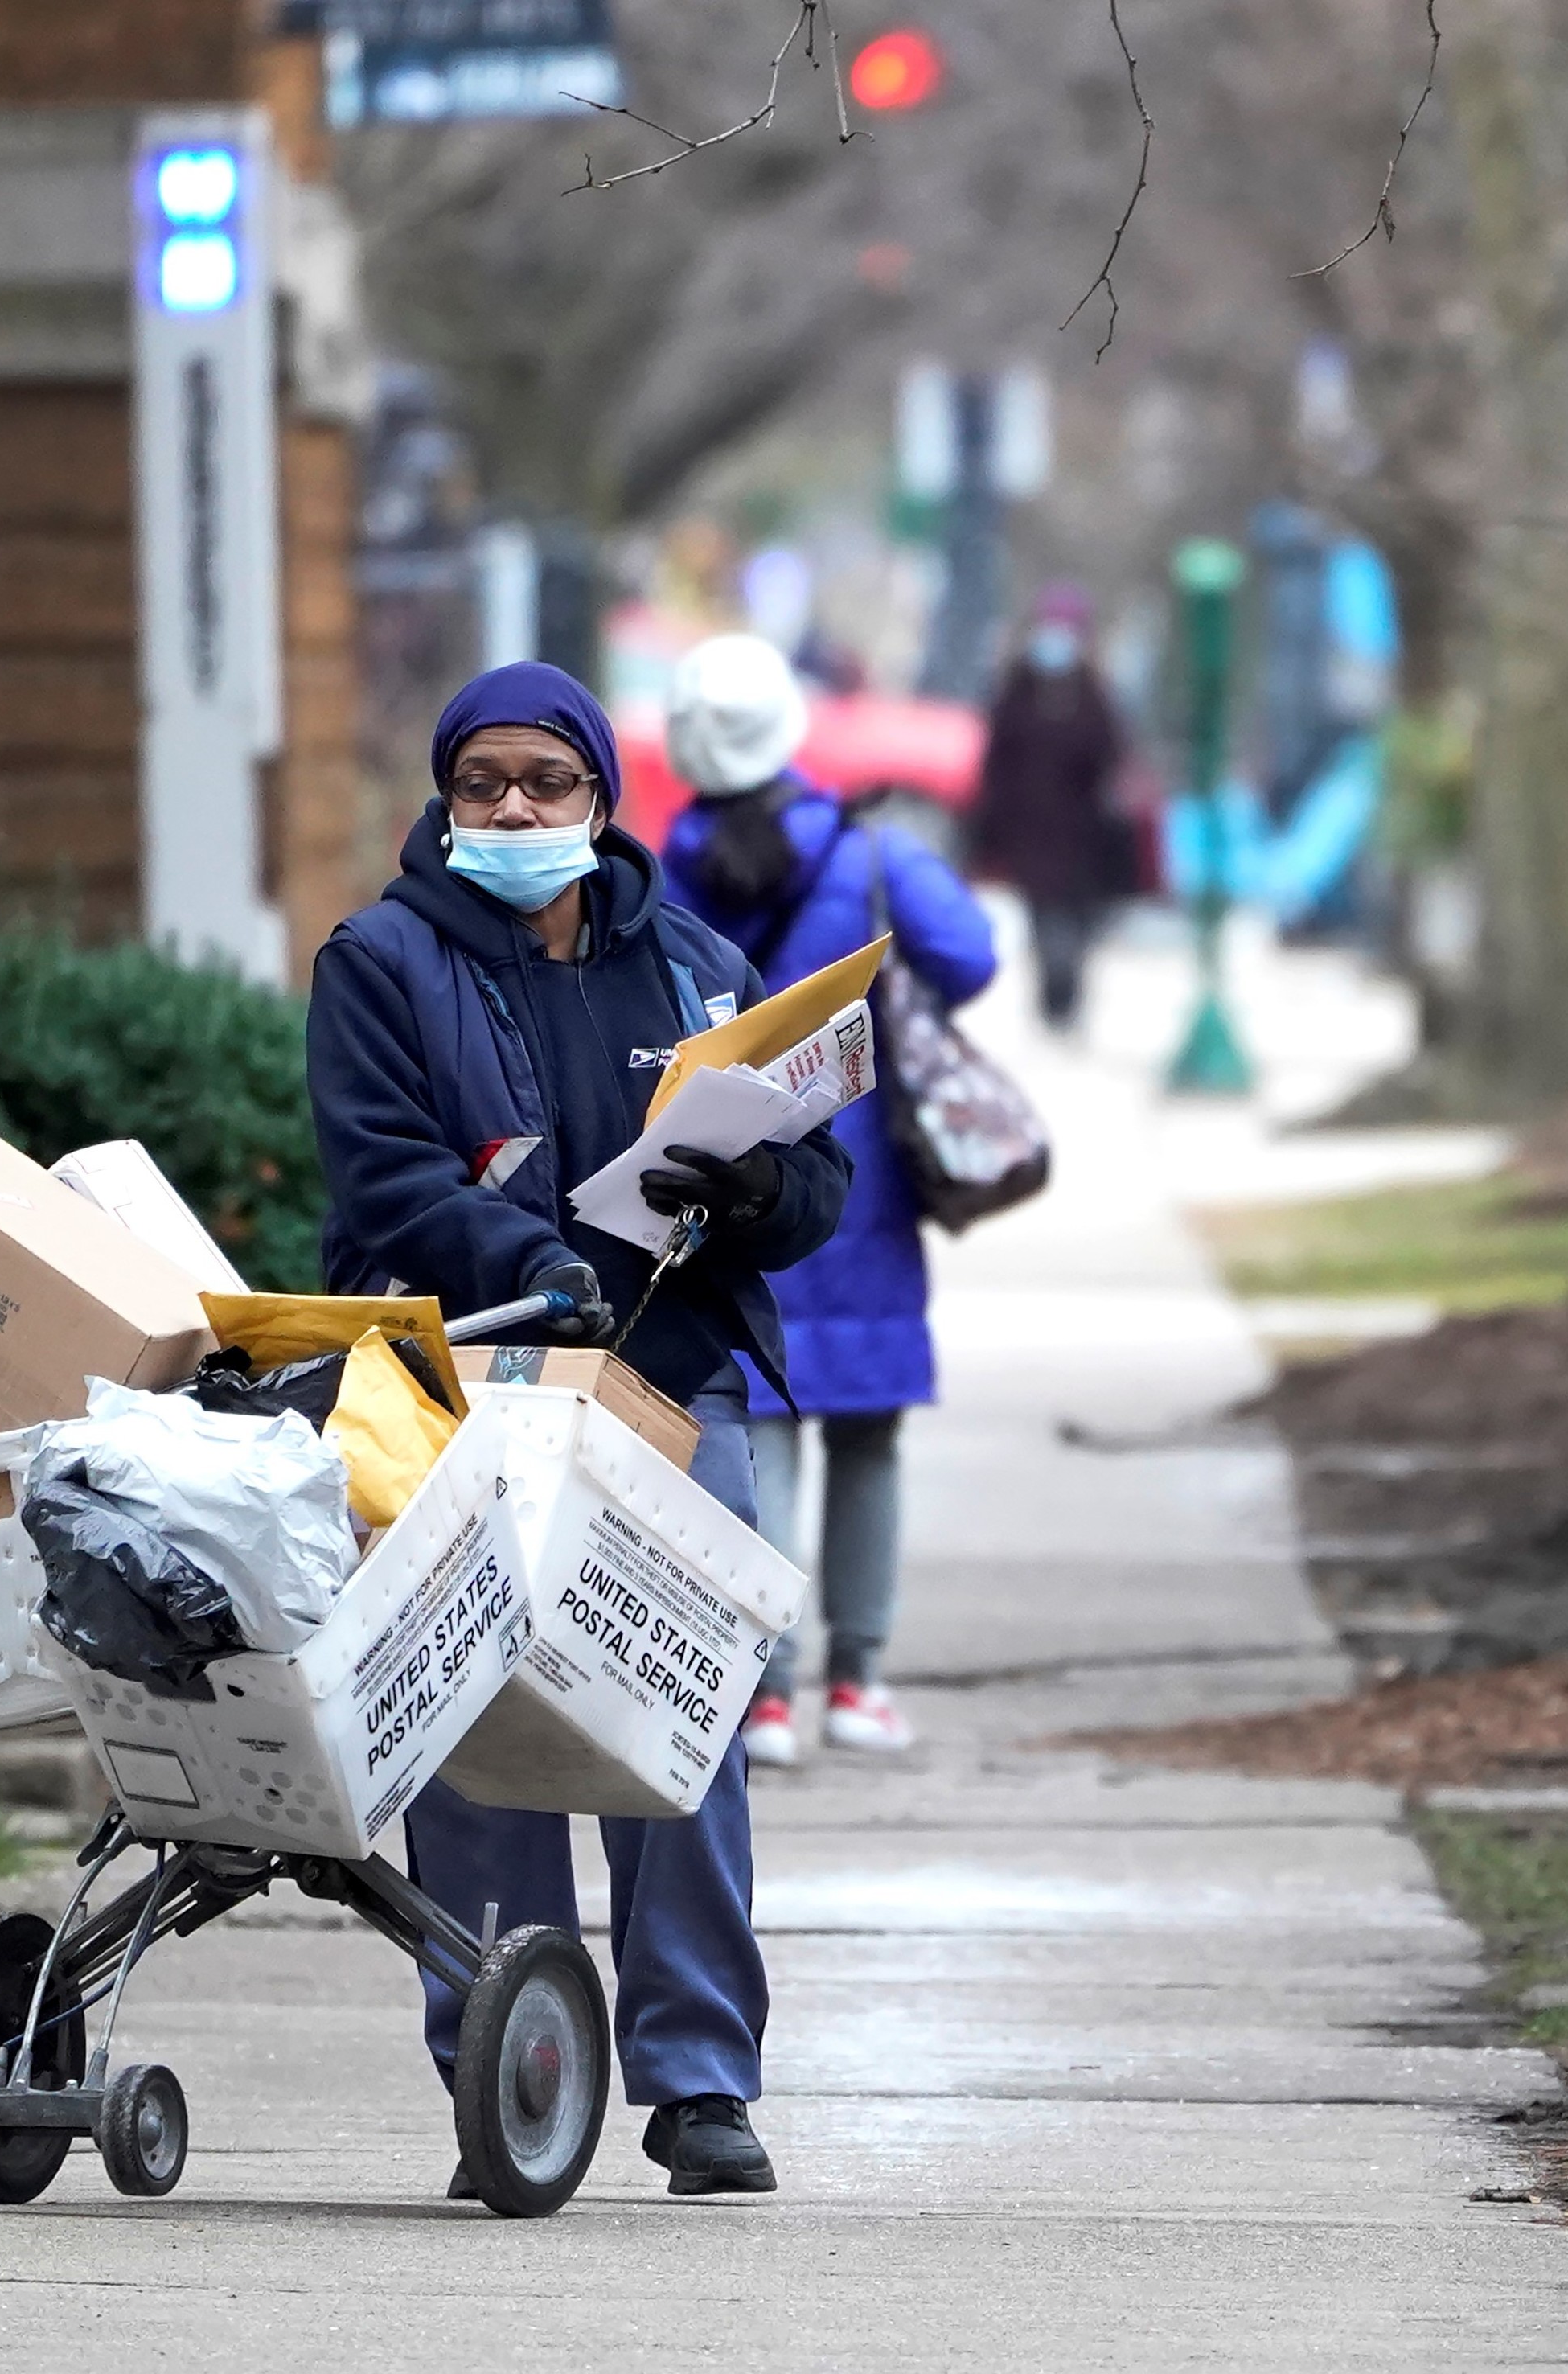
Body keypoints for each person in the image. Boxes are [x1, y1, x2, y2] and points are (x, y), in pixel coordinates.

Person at [308, 660, 855, 2199]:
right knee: (481, 1737)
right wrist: (522, 1257)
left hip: (673, 1385)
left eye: (545, 781)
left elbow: (814, 1182)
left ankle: (699, 2084)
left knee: (679, 1722)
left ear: (601, 796)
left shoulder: (696, 968)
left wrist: (756, 1191)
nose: (514, 808)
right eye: (482, 781)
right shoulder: (380, 959)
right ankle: (509, 2071)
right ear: (446, 797)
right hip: (466, 1382)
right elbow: (383, 1175)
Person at [658, 634, 999, 1767]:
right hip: (865, 1194)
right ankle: (860, 1682)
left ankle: (763, 1697)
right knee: (869, 1438)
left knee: (760, 1429)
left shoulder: (662, 871)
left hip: (731, 1188)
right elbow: (972, 958)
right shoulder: (873, 858)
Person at [969, 583, 1133, 1033]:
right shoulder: (1017, 689)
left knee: (1075, 921)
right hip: (1030, 832)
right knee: (1043, 918)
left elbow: (1111, 757)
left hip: (1081, 836)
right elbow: (996, 759)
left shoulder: (1094, 693)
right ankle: (1052, 1000)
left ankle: (1069, 995)